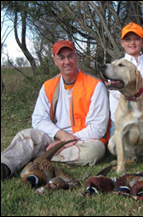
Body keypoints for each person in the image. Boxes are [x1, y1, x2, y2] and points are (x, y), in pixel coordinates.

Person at [1, 40, 110, 181]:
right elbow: (38, 119)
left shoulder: (96, 85)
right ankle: (5, 166)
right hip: (53, 137)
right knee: (26, 135)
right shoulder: (48, 86)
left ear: (76, 57)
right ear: (55, 60)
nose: (67, 62)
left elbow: (98, 128)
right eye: (61, 58)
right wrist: (60, 135)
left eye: (70, 56)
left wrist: (65, 142)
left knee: (93, 153)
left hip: (84, 140)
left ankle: (36, 156)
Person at [108, 22, 143, 136]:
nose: (132, 43)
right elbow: (113, 91)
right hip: (122, 121)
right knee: (122, 152)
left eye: (136, 39)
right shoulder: (116, 65)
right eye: (128, 39)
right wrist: (133, 97)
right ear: (122, 43)